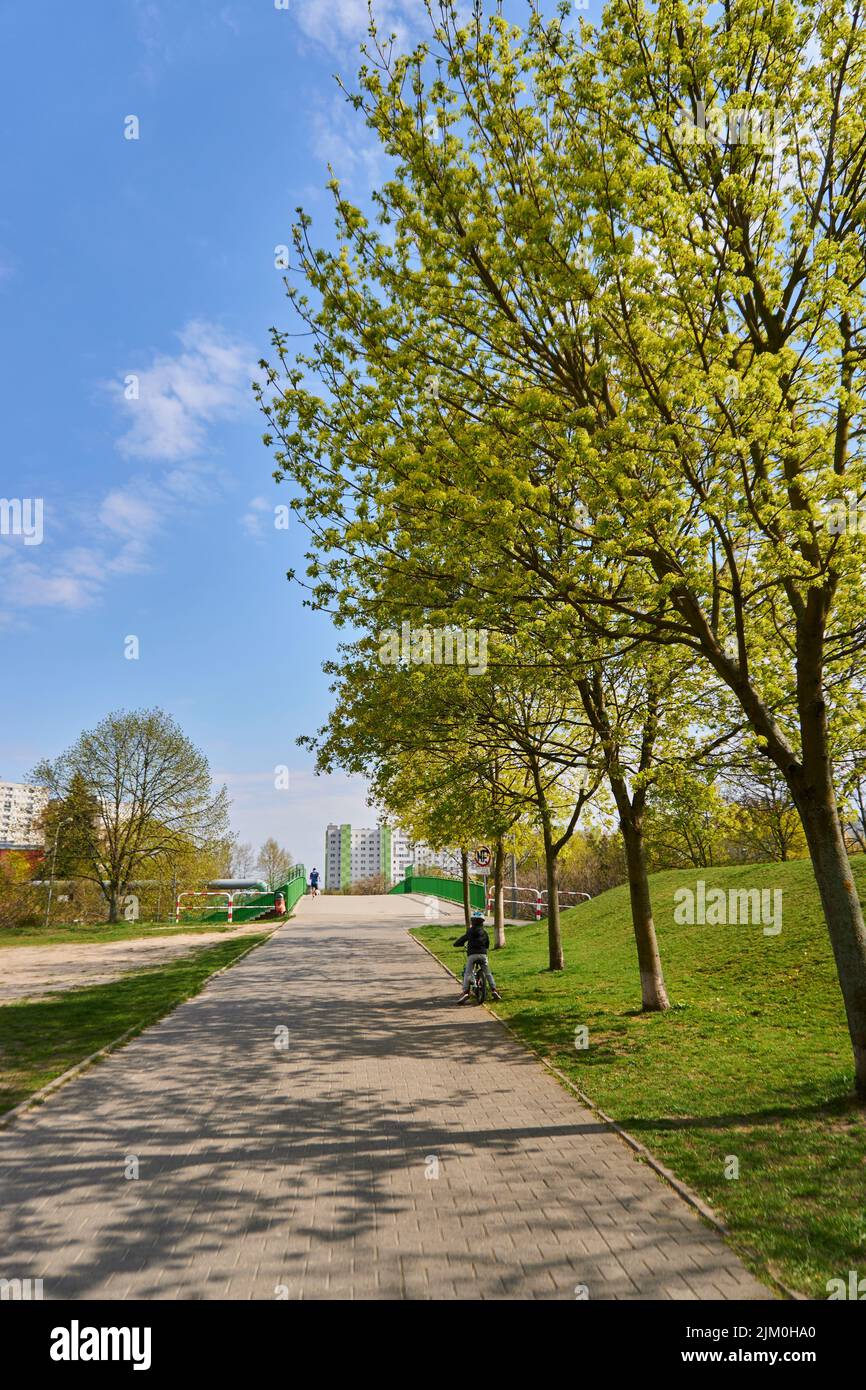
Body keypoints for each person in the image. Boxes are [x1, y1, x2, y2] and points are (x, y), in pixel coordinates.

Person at [453, 910, 501, 1002]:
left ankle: (466, 992)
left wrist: (456, 944)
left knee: (468, 973)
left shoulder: (470, 932)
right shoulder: (484, 932)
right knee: (488, 973)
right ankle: (494, 990)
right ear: (482, 922)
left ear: (472, 921)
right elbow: (487, 944)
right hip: (483, 955)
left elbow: (462, 940)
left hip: (472, 955)